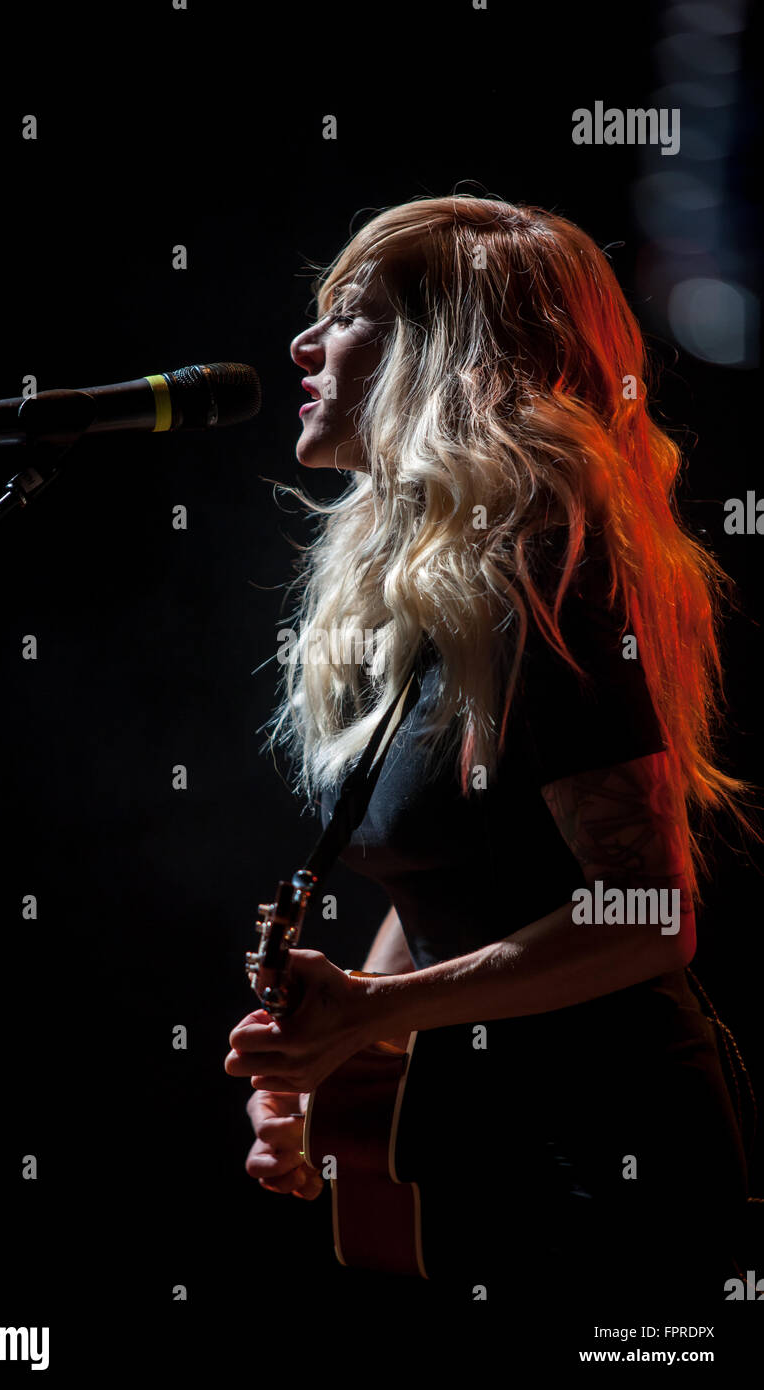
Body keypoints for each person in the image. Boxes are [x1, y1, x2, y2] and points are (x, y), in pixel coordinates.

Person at [223, 195, 754, 1315]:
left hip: (610, 1161)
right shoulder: (433, 592)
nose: (301, 345)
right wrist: (334, 1057)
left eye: (354, 315)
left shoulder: (555, 572)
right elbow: (435, 885)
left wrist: (373, 1010)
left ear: (449, 358)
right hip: (476, 1142)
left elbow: (647, 913)